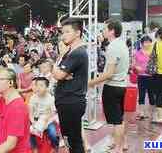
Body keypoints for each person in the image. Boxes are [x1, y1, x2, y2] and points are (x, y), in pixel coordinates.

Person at [89, 20, 130, 152]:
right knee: (119, 118)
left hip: (112, 86)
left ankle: (117, 148)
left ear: (112, 31)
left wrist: (91, 83)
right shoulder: (121, 44)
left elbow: (109, 73)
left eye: (105, 29)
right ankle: (122, 144)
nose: (103, 31)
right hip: (121, 85)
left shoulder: (113, 47)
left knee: (116, 120)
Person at [53, 18, 88, 153]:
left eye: (67, 32)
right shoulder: (70, 52)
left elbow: (58, 75)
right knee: (70, 139)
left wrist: (58, 68)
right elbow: (60, 74)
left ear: (78, 33)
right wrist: (60, 69)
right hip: (66, 102)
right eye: (63, 32)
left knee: (74, 141)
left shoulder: (77, 53)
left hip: (71, 102)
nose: (64, 35)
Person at [0, 67, 30, 153]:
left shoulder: (17, 107)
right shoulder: (3, 100)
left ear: (11, 82)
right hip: (0, 146)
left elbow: (10, 144)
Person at [29, 77, 59, 152]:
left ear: (47, 87)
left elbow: (53, 113)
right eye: (37, 85)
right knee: (30, 131)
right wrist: (33, 122)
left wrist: (46, 123)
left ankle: (54, 146)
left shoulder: (51, 99)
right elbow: (30, 113)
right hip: (36, 119)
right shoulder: (33, 97)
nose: (38, 88)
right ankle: (34, 148)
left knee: (53, 134)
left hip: (48, 120)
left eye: (41, 85)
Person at [131, 36, 155, 120]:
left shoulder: (153, 53)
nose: (147, 44)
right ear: (142, 43)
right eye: (145, 42)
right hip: (141, 77)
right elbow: (133, 65)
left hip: (152, 77)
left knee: (152, 95)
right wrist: (136, 67)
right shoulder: (137, 53)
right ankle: (141, 113)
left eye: (149, 42)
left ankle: (151, 113)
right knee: (141, 95)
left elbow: (156, 64)